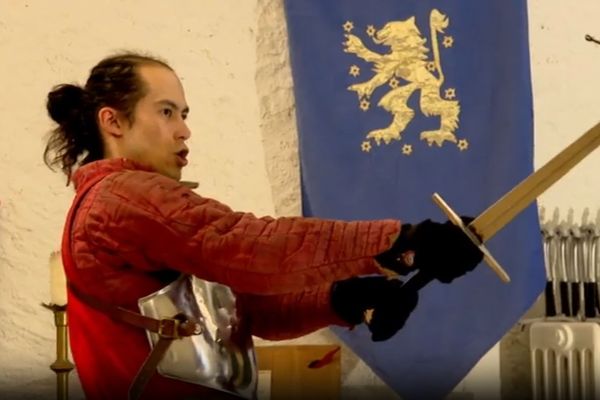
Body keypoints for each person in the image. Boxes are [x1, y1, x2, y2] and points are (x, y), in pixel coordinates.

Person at [44, 52, 483, 400]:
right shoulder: (120, 198)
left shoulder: (132, 200)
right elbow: (247, 247)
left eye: (183, 113)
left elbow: (244, 312)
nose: (184, 131)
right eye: (166, 112)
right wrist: (400, 242)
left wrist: (344, 299)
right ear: (113, 121)